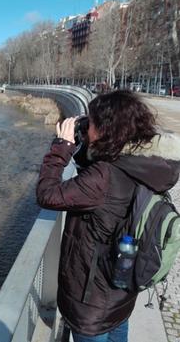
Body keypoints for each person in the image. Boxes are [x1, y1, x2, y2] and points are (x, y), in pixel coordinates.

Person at [36, 90, 180, 342]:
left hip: (91, 303)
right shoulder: (142, 164)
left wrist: (61, 148)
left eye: (90, 123)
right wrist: (87, 142)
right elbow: (94, 172)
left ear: (105, 129)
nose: (86, 127)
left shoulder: (103, 176)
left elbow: (47, 194)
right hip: (120, 295)